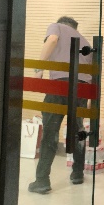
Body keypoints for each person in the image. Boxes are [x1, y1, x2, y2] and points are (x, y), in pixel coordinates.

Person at [28, 16, 92, 194]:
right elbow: (92, 74)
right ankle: (77, 174)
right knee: (77, 131)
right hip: (82, 89)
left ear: (62, 24)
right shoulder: (85, 42)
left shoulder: (56, 27)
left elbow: (52, 40)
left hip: (60, 86)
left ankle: (42, 181)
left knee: (50, 131)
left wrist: (38, 68)